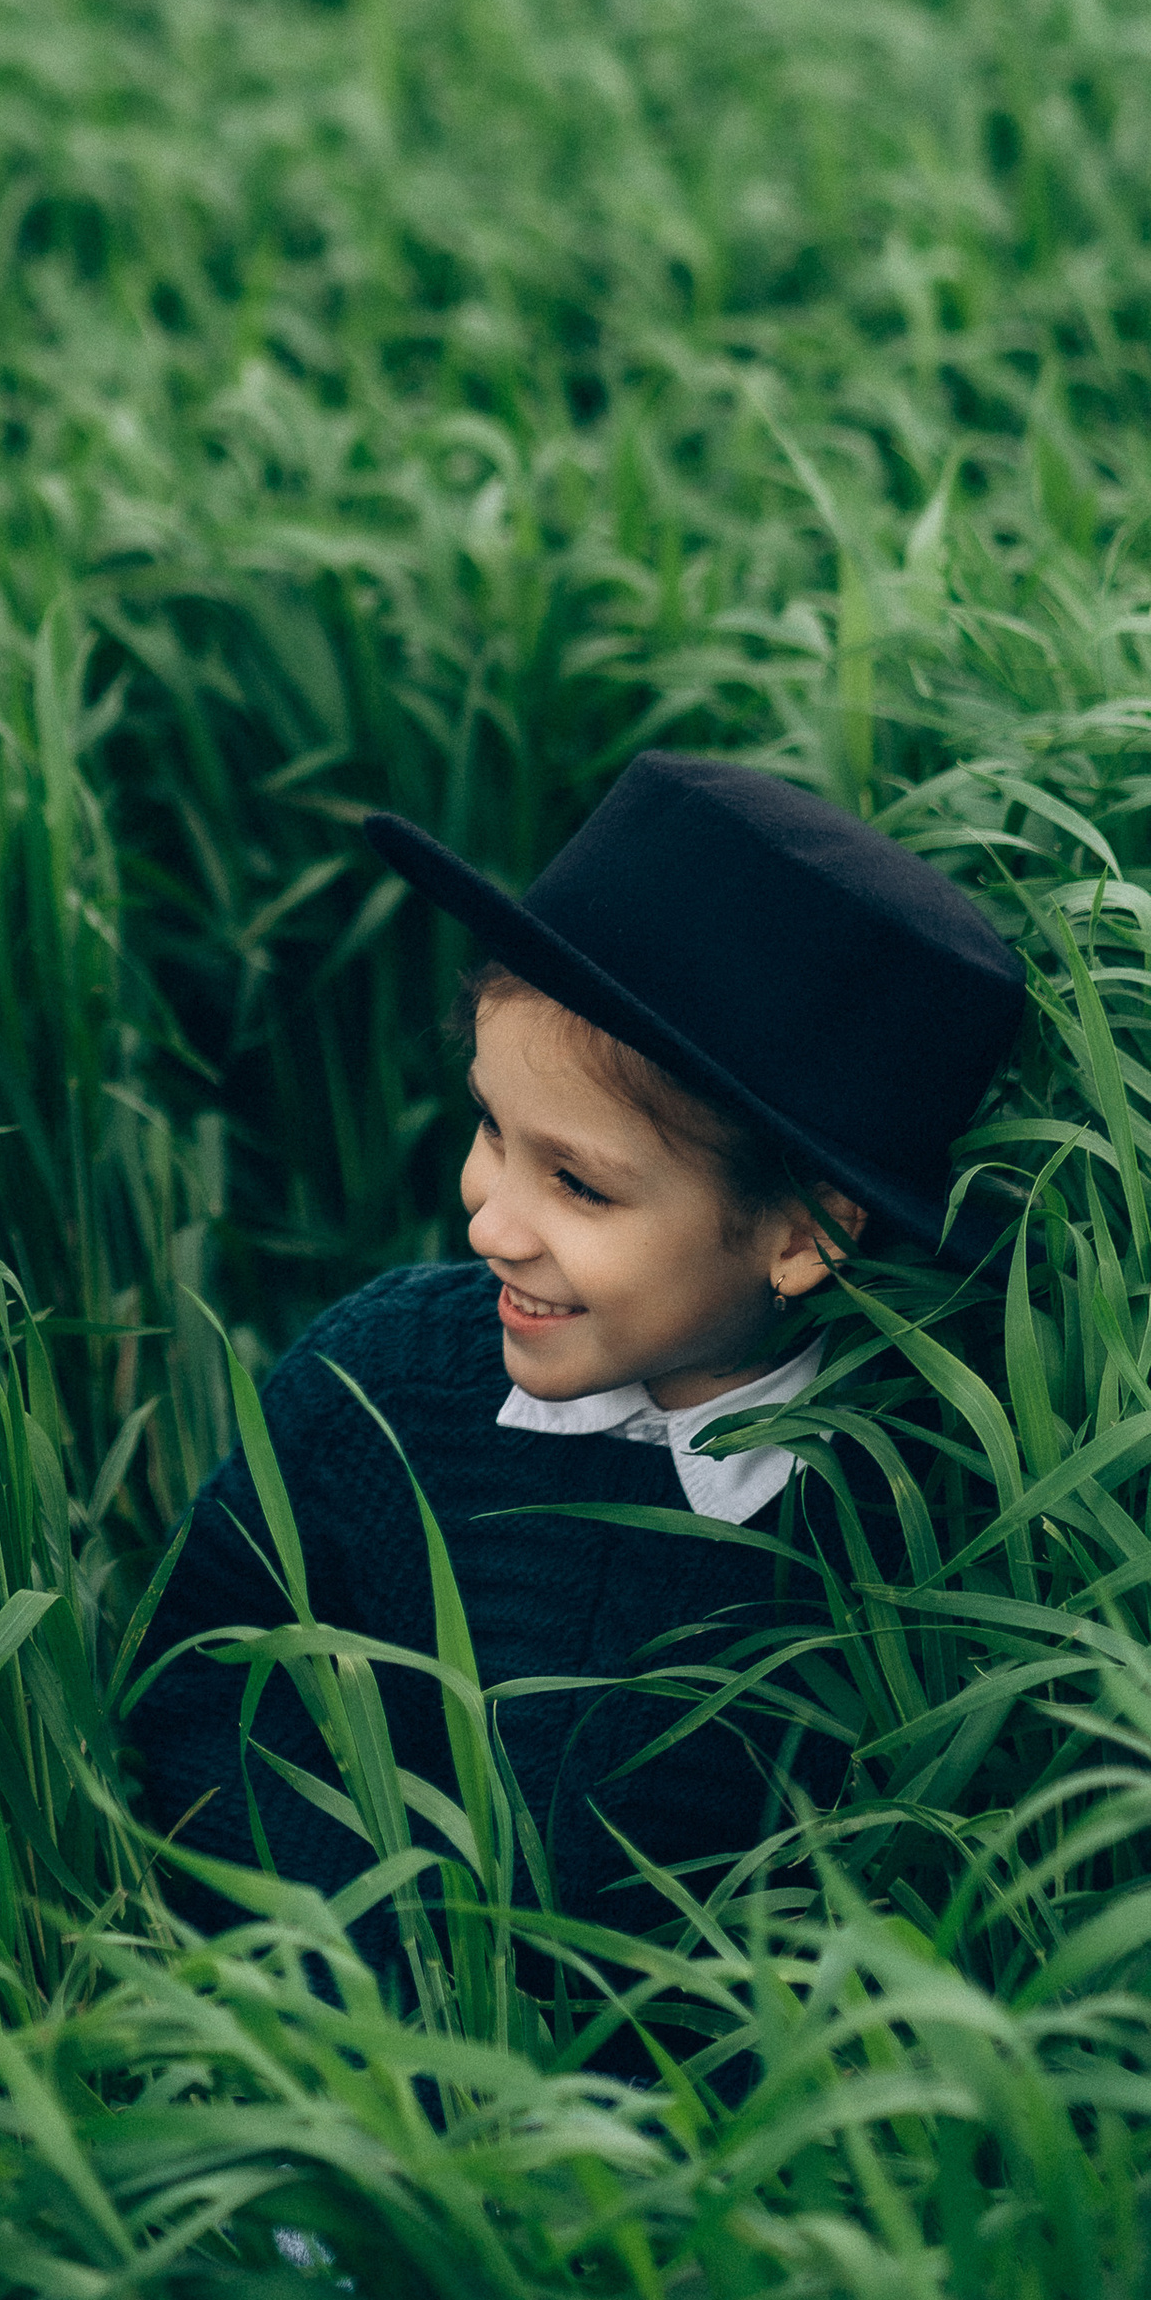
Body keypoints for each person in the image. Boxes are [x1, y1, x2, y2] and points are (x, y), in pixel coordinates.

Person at [127, 755, 1028, 1953]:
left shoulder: (911, 1514)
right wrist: (373, 1960)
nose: (487, 1222)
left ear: (805, 1236)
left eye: (579, 1187)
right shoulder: (377, 1383)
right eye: (489, 1128)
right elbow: (202, 1673)